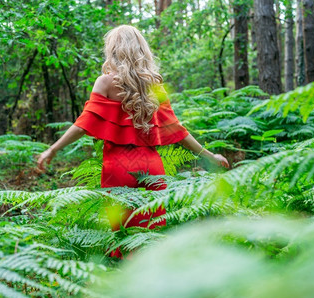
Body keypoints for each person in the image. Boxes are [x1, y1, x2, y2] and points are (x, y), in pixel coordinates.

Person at [37, 25, 229, 258]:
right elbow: (177, 130)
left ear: (113, 50)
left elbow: (83, 124)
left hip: (117, 169)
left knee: (123, 236)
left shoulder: (105, 82)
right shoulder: (154, 84)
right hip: (152, 169)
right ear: (141, 49)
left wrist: (53, 149)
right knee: (151, 239)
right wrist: (210, 156)